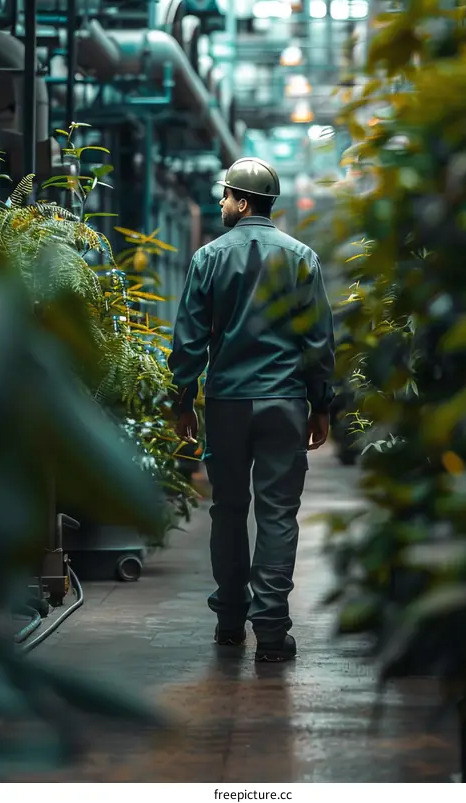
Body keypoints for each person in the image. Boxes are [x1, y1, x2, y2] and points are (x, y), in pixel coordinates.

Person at [168, 157, 335, 663]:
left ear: (242, 202)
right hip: (284, 401)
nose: (221, 204)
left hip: (228, 403)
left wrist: (182, 400)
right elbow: (318, 340)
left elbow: (190, 340)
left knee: (228, 510)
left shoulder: (208, 258)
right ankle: (270, 630)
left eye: (225, 197)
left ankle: (229, 623)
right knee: (278, 514)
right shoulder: (302, 258)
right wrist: (321, 404)